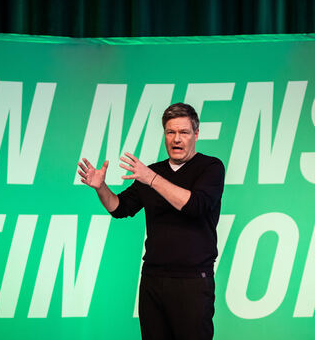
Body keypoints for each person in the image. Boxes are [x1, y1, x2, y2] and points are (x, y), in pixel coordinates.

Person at [77, 103, 225, 340]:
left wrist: (152, 178)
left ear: (196, 134)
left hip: (193, 281)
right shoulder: (152, 171)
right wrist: (101, 187)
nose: (176, 139)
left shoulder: (211, 168)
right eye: (170, 132)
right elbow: (119, 208)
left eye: (184, 132)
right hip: (153, 281)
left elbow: (195, 205)